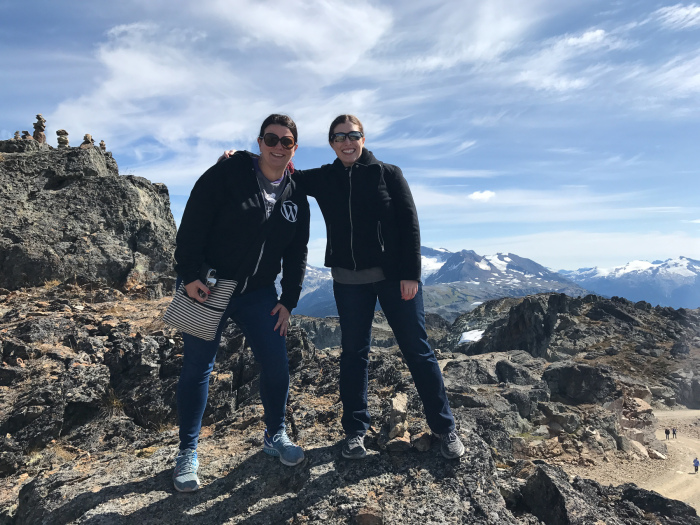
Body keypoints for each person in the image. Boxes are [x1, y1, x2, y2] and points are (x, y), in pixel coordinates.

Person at [220, 114, 465, 460]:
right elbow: (280, 165)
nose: (346, 142)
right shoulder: (325, 177)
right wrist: (243, 157)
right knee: (353, 355)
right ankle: (355, 432)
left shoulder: (388, 174)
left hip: (395, 279)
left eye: (353, 135)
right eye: (339, 137)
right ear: (332, 143)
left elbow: (409, 223)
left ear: (363, 138)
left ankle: (444, 427)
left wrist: (411, 274)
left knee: (417, 350)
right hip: (350, 282)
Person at [172, 114, 310, 492]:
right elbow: (193, 220)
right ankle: (187, 451)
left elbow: (297, 252)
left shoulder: (296, 194)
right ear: (259, 142)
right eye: (271, 139)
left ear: (294, 148)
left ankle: (275, 435)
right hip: (209, 285)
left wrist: (289, 300)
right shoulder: (229, 172)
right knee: (198, 367)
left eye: (286, 141)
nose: (278, 146)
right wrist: (190, 275)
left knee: (276, 362)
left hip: (258, 292)